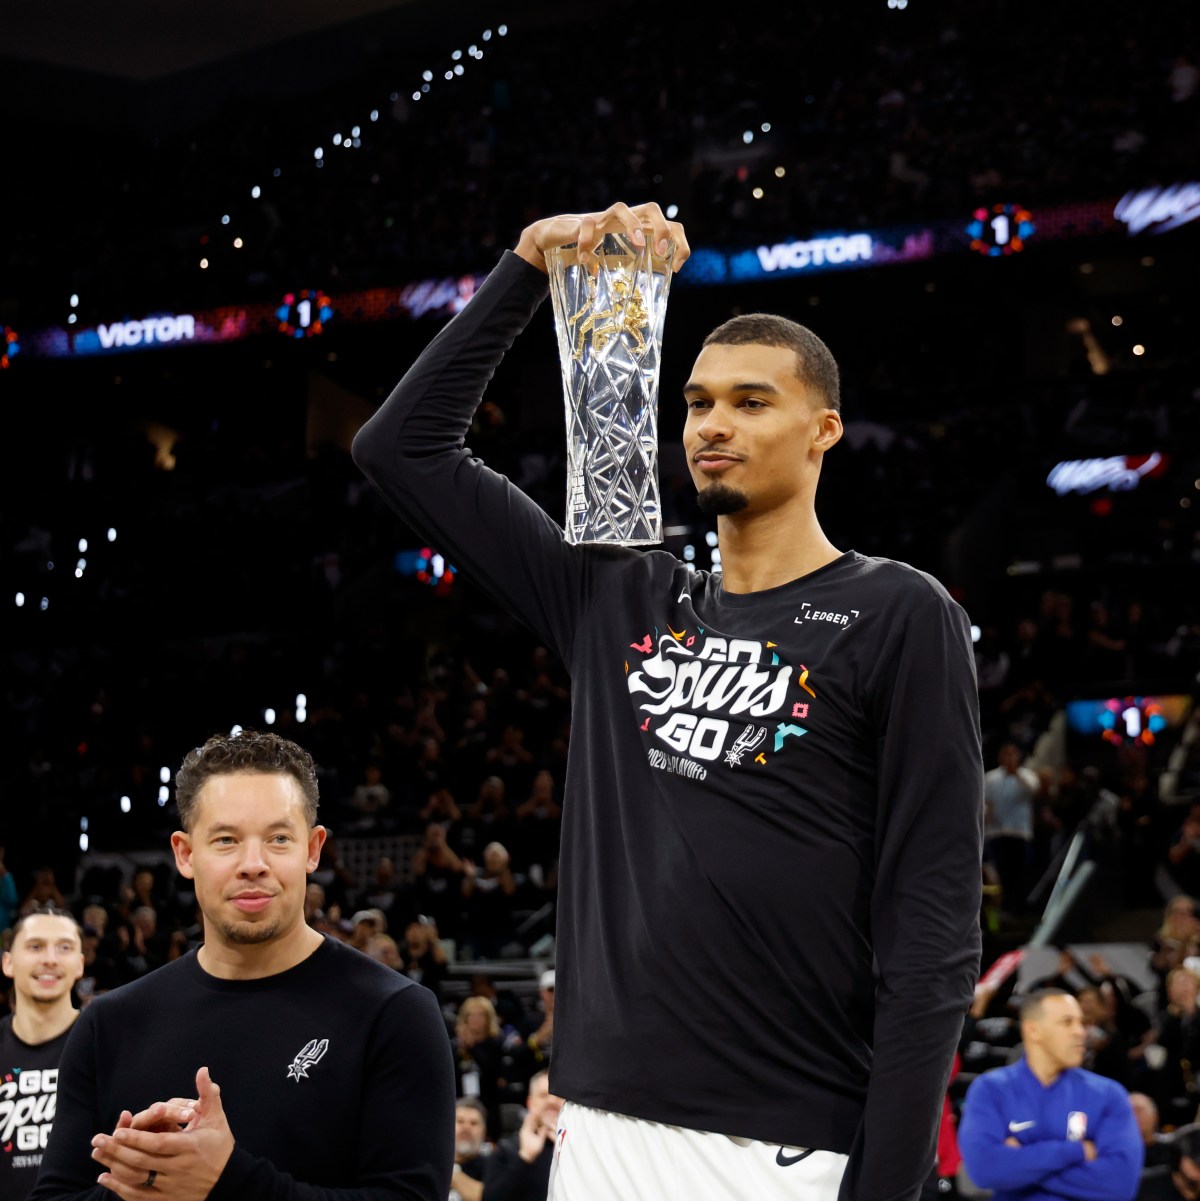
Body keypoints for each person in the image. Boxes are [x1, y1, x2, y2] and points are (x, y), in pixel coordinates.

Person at [352, 200, 984, 1201]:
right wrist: (530, 266)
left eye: (751, 401)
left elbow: (933, 931)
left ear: (823, 430)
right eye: (695, 404)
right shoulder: (620, 595)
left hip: (778, 1145)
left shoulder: (897, 611)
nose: (713, 425)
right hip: (600, 1131)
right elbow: (401, 450)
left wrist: (888, 1186)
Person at [30, 728, 455, 1201]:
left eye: (278, 838)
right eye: (226, 840)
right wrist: (147, 1177)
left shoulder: (396, 1013)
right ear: (185, 854)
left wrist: (226, 1180)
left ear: (313, 849)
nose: (253, 863)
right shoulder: (108, 1025)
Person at [957, 987, 1143, 1200]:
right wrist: (1077, 1152)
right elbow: (985, 1170)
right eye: (1067, 1022)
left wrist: (1020, 1163)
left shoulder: (1109, 1095)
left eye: (1081, 1022)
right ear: (1033, 1030)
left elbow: (1120, 1184)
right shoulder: (991, 1089)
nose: (1080, 1032)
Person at [0, 905, 85, 1201]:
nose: (50, 959)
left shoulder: (109, 1044)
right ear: (8, 963)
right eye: (35, 947)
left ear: (80, 964)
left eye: (64, 948)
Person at [480, 1071, 563, 1201]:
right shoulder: (506, 1149)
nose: (552, 1101)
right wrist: (525, 1157)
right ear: (530, 1102)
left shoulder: (580, 1147)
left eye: (558, 1095)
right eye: (543, 1095)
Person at [449, 1097, 491, 1201]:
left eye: (473, 1123)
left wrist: (452, 1171)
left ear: (484, 1132)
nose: (466, 1128)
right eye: (460, 1121)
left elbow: (489, 1196)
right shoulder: (432, 1166)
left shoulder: (493, 1167)